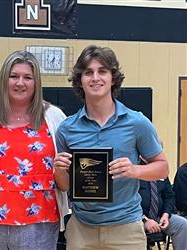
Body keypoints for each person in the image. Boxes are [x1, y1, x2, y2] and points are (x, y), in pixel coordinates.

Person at [53, 45, 169, 250]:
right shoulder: (67, 129)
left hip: (126, 230)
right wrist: (60, 170)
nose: (95, 78)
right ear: (80, 80)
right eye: (88, 72)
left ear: (113, 78)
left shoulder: (137, 123)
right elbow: (65, 186)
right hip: (82, 229)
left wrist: (135, 170)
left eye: (102, 71)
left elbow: (163, 168)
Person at [0, 50, 69, 250]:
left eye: (28, 77)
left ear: (36, 82)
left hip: (40, 221)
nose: (20, 83)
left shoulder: (54, 116)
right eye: (14, 76)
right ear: (4, 79)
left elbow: (65, 169)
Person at [139, 176, 187, 250]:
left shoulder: (161, 173)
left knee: (181, 224)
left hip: (160, 216)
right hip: (137, 217)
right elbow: (129, 202)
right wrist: (144, 220)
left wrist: (166, 214)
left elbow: (169, 196)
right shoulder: (134, 172)